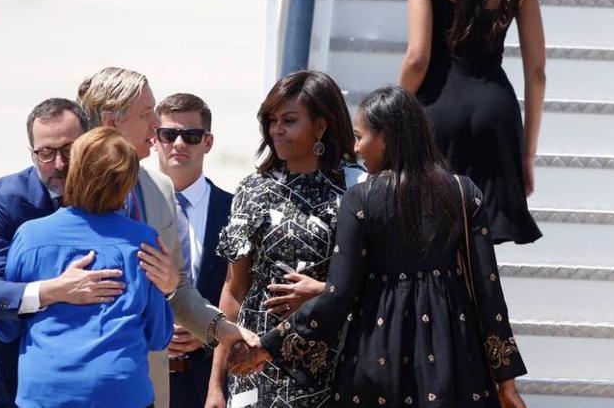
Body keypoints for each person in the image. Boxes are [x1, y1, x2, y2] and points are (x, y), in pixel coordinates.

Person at [231, 86, 528, 407]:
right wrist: (506, 381)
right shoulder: (462, 192)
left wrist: (269, 345)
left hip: (377, 358)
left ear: (386, 137)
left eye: (361, 136)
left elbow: (339, 296)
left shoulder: (361, 199)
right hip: (455, 359)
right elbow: (489, 294)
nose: (356, 148)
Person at [77, 67, 259, 407]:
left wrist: (219, 329)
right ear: (110, 120)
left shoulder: (158, 191)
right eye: (147, 114)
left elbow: (177, 287)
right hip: (80, 384)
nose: (153, 126)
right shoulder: (64, 189)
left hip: (146, 388)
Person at [0, 98, 132, 407]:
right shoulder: (1, 199)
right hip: (0, 370)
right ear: (32, 152)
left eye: (68, 151)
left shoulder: (116, 197)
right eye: (45, 153)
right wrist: (54, 290)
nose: (58, 164)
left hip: (81, 378)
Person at [0, 127, 173, 407]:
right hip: (121, 393)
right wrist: (168, 292)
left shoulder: (30, 236)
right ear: (126, 183)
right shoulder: (144, 242)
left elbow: (4, 327)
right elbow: (158, 336)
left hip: (47, 394)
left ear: (74, 173)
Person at [210, 70, 363, 408]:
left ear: (321, 126)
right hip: (254, 365)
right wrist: (215, 386)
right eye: (272, 120)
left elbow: (380, 283)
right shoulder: (253, 190)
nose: (276, 129)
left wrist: (324, 292)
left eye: (289, 120)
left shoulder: (358, 190)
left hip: (334, 369)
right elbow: (235, 289)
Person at [398, 0, 546, 245]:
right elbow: (537, 72)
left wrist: (394, 111)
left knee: (432, 236)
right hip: (496, 111)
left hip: (439, 109)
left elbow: (417, 58)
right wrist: (527, 153)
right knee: (481, 243)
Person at [153, 93, 234, 407]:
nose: (178, 144)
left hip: (209, 381)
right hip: (146, 377)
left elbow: (242, 293)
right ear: (155, 139)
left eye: (191, 136)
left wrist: (207, 330)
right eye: (168, 134)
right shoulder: (132, 206)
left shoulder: (235, 210)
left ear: (208, 142)